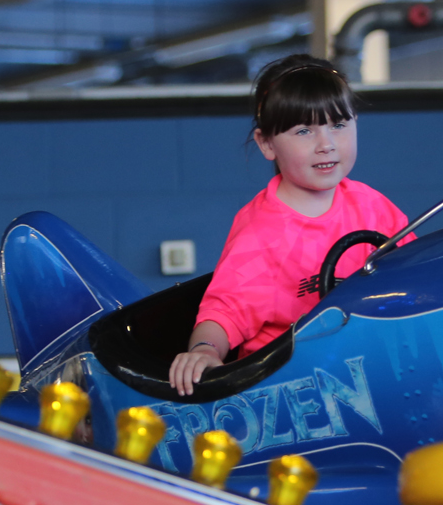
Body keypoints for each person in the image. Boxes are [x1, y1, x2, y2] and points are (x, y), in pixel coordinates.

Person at [168, 55, 410, 396]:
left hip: (367, 370)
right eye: (304, 130)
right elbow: (225, 311)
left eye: (339, 125)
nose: (325, 144)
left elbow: (416, 272)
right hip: (287, 387)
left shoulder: (373, 205)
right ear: (267, 143)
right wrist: (204, 351)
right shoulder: (260, 231)